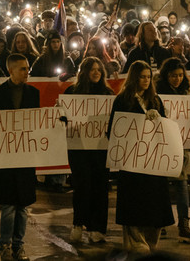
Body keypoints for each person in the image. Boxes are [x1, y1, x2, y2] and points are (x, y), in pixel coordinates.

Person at [107, 60, 174, 253]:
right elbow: (114, 130)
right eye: (142, 77)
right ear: (134, 78)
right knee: (134, 204)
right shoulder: (123, 100)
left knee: (155, 204)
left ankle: (151, 244)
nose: (146, 81)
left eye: (148, 77)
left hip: (153, 162)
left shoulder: (156, 100)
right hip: (132, 163)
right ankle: (136, 244)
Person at [0, 53, 38, 261]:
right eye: (23, 69)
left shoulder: (34, 93)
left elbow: (38, 122)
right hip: (6, 158)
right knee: (9, 205)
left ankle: (18, 245)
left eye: (28, 68)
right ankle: (4, 244)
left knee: (22, 205)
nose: (27, 72)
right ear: (11, 70)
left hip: (25, 157)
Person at [64, 57, 113, 244]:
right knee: (82, 186)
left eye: (99, 70)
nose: (96, 73)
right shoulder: (72, 92)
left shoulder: (108, 94)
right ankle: (78, 223)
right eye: (92, 69)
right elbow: (63, 116)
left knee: (100, 187)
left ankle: (97, 228)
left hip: (101, 149)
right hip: (79, 149)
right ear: (84, 72)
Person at [155, 58, 190, 242]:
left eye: (180, 75)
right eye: (173, 75)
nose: (177, 79)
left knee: (182, 184)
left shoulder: (186, 95)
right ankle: (162, 222)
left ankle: (184, 224)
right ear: (166, 76)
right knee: (162, 186)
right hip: (163, 145)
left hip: (183, 146)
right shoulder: (157, 95)